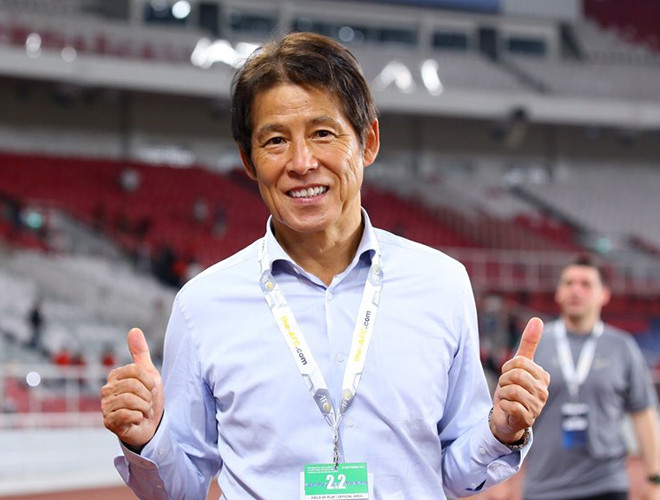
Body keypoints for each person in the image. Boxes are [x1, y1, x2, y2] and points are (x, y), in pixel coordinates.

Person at [101, 32, 550, 500]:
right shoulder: (202, 305)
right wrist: (146, 441)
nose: (301, 162)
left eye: (322, 133)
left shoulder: (442, 284)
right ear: (248, 161)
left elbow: (457, 474)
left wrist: (502, 431)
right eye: (276, 140)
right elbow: (182, 488)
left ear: (368, 141)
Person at [523, 256, 660, 500]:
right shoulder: (535, 344)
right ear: (558, 292)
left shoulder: (622, 347)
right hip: (543, 486)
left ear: (604, 294)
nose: (576, 290)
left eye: (586, 284)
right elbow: (514, 413)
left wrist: (655, 477)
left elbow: (643, 411)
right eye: (569, 283)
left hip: (606, 484)